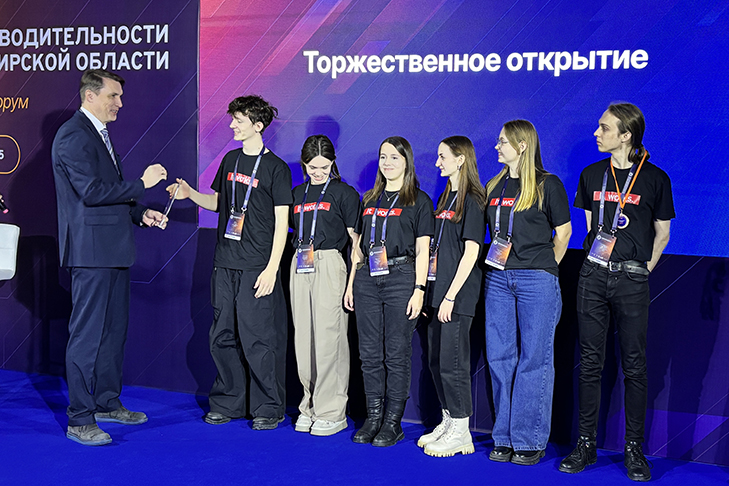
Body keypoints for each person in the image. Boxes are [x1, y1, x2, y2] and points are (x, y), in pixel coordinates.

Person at [51, 69, 168, 446]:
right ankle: (80, 419)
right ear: (90, 96)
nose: (120, 103)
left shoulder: (98, 134)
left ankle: (106, 403)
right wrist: (143, 184)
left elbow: (111, 192)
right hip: (91, 252)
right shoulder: (73, 135)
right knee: (87, 337)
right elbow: (91, 191)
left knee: (112, 334)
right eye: (113, 96)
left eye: (119, 96)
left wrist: (140, 213)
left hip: (114, 249)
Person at [559, 103, 674, 482]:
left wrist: (640, 270)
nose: (597, 133)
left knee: (634, 366)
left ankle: (634, 449)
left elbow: (662, 234)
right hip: (592, 277)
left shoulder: (655, 178)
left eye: (604, 127)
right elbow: (592, 228)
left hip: (631, 280)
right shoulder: (592, 174)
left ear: (626, 135)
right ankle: (585, 443)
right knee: (590, 363)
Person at [167, 95, 292, 430]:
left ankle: (268, 407)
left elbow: (282, 224)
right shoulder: (231, 160)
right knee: (222, 335)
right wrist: (190, 194)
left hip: (257, 267)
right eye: (233, 118)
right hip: (224, 263)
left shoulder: (276, 168)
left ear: (258, 125)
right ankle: (228, 402)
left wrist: (272, 269)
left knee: (258, 339)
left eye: (239, 120)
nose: (233, 125)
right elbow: (218, 203)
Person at [483, 120, 572, 465]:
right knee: (500, 357)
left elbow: (563, 233)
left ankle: (528, 439)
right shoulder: (494, 185)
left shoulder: (548, 185)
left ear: (522, 145)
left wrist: (544, 267)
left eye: (502, 141)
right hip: (498, 279)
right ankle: (503, 437)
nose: (497, 147)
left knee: (534, 359)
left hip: (536, 280)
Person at [344, 136, 434, 447]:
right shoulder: (369, 199)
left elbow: (423, 251)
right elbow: (357, 249)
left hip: (401, 278)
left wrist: (419, 289)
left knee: (396, 354)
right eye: (383, 157)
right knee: (369, 354)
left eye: (395, 157)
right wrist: (351, 283)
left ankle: (392, 423)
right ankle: (373, 418)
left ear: (407, 162)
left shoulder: (419, 201)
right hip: (367, 279)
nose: (387, 162)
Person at [418, 136, 486, 457]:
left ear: (461, 159)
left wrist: (450, 296)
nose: (437, 163)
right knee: (436, 361)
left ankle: (461, 430)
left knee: (453, 363)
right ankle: (448, 420)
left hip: (456, 296)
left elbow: (471, 252)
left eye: (442, 156)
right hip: (438, 293)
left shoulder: (473, 199)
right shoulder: (446, 197)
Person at [289, 135, 361, 436]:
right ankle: (310, 405)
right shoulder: (297, 193)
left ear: (333, 163)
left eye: (324, 166)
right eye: (312, 167)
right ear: (304, 164)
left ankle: (332, 411)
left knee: (330, 339)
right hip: (300, 263)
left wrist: (351, 284)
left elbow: (356, 244)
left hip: (330, 262)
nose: (318, 172)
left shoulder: (344, 193)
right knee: (304, 339)